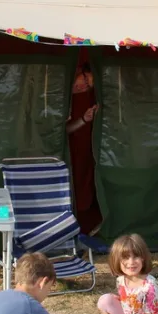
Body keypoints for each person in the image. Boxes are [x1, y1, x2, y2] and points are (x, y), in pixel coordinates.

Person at [66, 55, 102, 234]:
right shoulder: (59, 92)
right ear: (78, 71)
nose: (84, 86)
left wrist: (84, 119)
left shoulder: (85, 100)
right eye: (85, 79)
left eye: (89, 86)